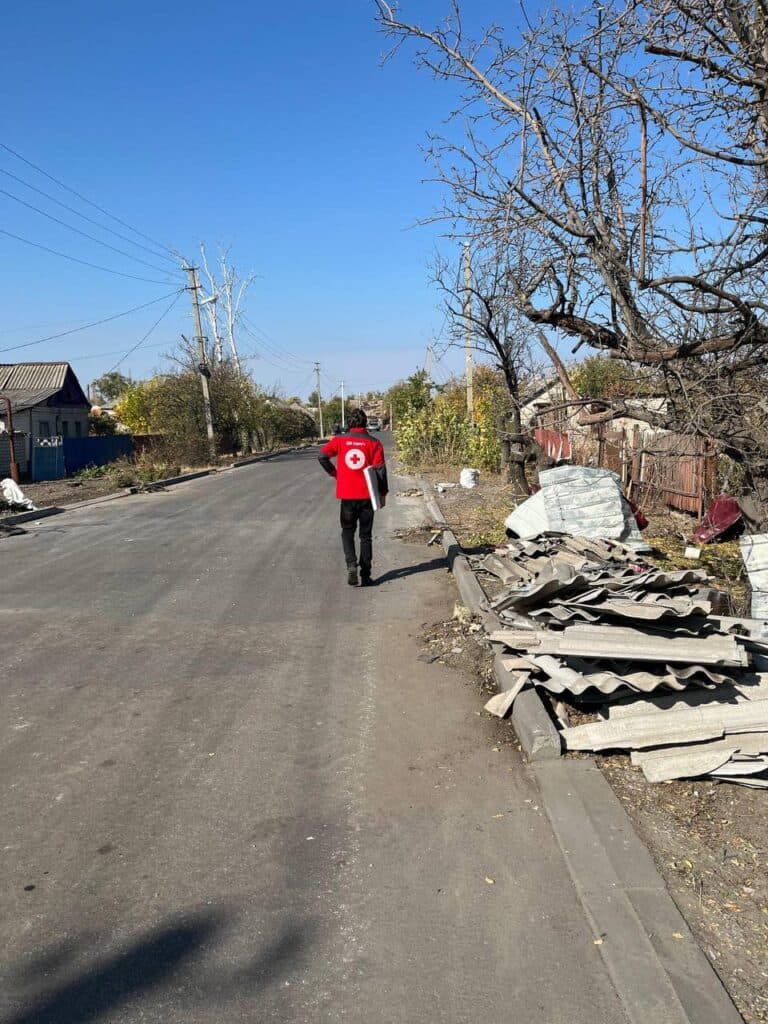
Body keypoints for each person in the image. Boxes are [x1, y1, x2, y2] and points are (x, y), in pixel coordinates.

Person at [318, 408, 388, 586]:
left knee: (347, 532)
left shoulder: (340, 440)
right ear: (365, 423)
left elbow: (322, 456)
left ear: (348, 423)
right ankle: (366, 574)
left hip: (347, 497)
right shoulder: (374, 443)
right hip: (367, 496)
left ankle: (351, 565)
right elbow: (380, 470)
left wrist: (335, 474)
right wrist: (383, 494)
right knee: (366, 536)